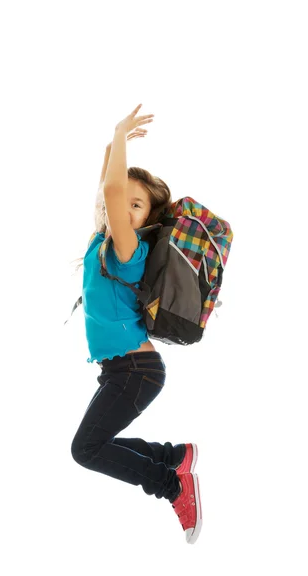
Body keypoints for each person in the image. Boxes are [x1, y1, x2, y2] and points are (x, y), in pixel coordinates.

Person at [70, 104, 203, 544]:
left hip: (136, 371)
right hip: (120, 371)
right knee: (93, 445)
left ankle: (173, 486)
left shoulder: (130, 254)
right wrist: (113, 149)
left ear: (148, 218)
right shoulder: (100, 242)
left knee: (86, 449)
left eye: (137, 204)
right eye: (120, 200)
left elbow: (110, 193)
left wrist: (119, 134)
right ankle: (176, 457)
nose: (124, 208)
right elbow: (105, 193)